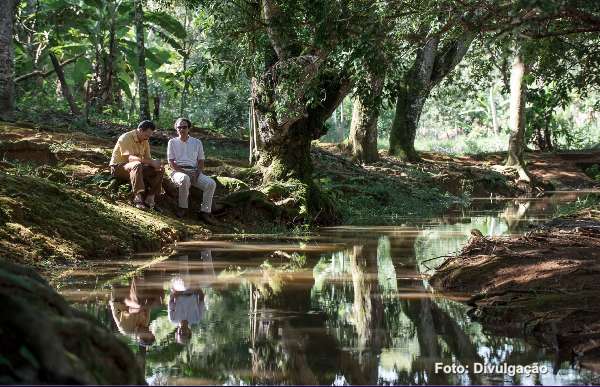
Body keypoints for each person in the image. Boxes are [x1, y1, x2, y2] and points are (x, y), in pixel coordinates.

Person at [167, 118, 218, 224]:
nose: (181, 129)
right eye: (179, 127)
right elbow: (171, 162)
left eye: (184, 127)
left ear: (189, 128)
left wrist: (197, 173)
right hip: (178, 171)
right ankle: (183, 208)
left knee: (211, 183)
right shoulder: (172, 142)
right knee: (185, 179)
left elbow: (201, 160)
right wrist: (185, 172)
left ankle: (205, 211)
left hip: (194, 171)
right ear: (176, 129)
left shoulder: (197, 142)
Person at [110, 120, 163, 209]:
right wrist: (150, 162)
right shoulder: (126, 137)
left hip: (138, 168)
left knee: (160, 169)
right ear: (140, 130)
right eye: (146, 135)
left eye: (149, 136)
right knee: (136, 164)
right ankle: (137, 197)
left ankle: (150, 197)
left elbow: (148, 158)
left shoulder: (145, 140)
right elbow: (129, 158)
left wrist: (155, 163)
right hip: (119, 167)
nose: (147, 138)